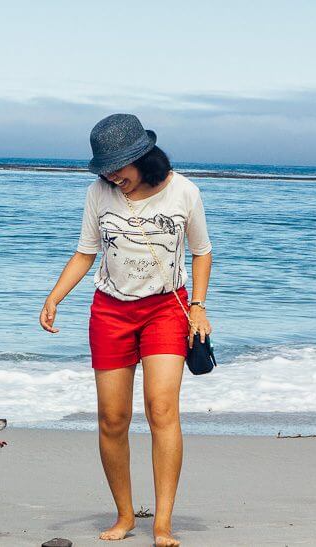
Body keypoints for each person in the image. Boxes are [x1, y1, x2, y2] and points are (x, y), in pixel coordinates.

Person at [40, 114, 213, 547]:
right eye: (106, 168)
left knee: (161, 411)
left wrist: (198, 307)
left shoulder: (184, 191)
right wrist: (54, 297)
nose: (113, 176)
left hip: (165, 310)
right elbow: (85, 252)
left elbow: (202, 253)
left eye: (120, 167)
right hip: (111, 312)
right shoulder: (99, 193)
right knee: (113, 419)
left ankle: (162, 524)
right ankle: (125, 515)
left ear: (143, 156)